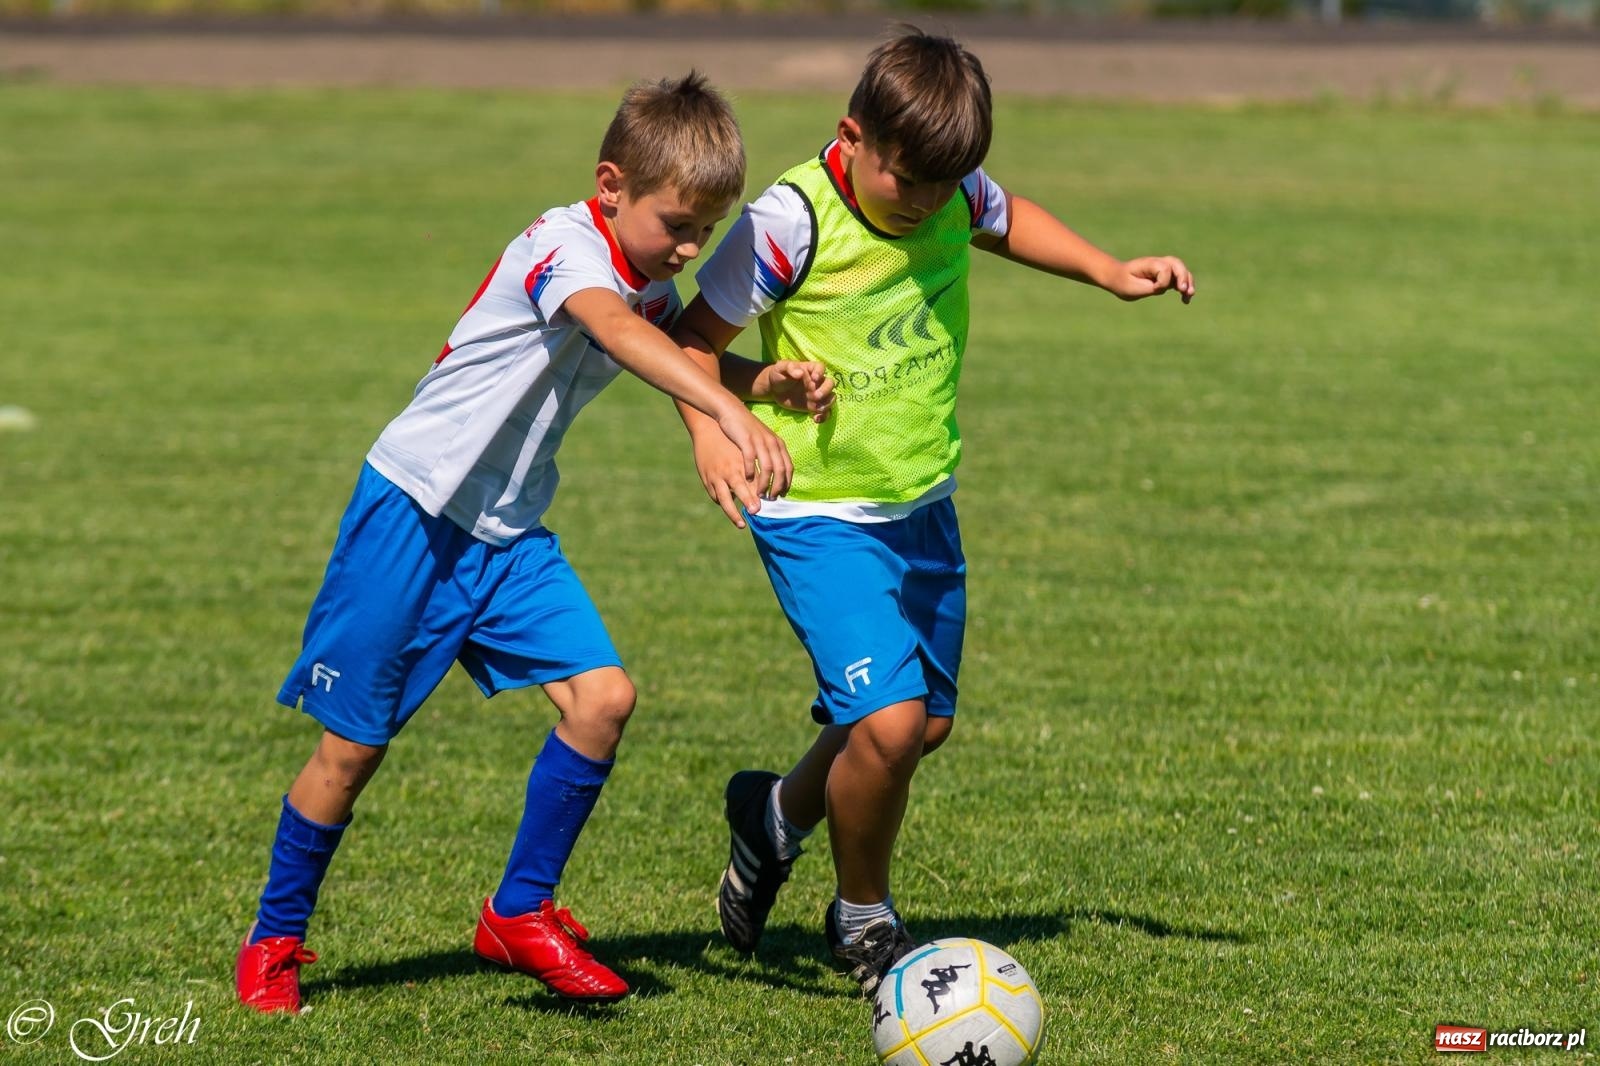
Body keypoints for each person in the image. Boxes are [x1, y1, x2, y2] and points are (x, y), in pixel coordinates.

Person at [235, 72, 829, 1014]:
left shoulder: (639, 274)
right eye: (675, 224)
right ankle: (273, 940)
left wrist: (764, 387)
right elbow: (615, 332)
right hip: (413, 517)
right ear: (610, 186)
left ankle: (519, 913)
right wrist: (718, 404)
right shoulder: (563, 249)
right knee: (351, 753)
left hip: (507, 536)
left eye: (705, 234)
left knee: (604, 700)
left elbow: (671, 345)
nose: (686, 250)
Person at [671, 28, 1195, 998]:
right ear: (852, 135)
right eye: (903, 178)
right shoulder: (794, 219)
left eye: (941, 185)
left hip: (923, 501)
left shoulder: (951, 190)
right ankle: (862, 915)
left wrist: (1110, 271)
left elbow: (1006, 217)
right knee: (891, 720)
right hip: (817, 507)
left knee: (918, 728)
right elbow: (690, 338)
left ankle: (773, 817)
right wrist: (715, 426)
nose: (920, 202)